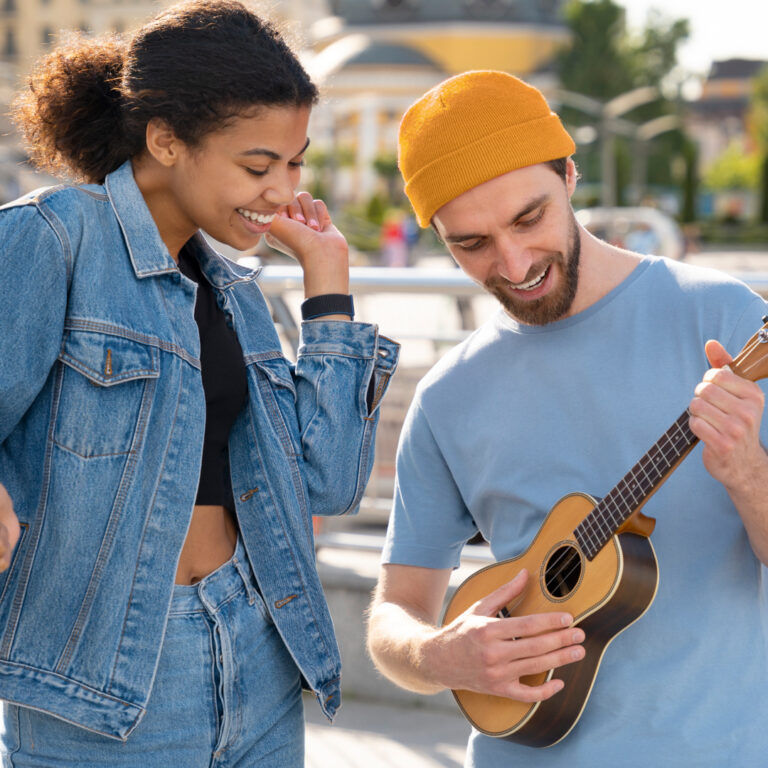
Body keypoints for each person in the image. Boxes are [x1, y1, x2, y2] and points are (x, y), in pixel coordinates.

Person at [0, 1, 399, 764]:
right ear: (165, 140)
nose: (282, 192)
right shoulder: (53, 237)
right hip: (108, 679)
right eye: (258, 166)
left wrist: (329, 287)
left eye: (295, 163)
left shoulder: (236, 290)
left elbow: (327, 481)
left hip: (258, 645)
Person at [366, 70, 768, 766]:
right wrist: (437, 655)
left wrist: (747, 473)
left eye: (528, 218)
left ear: (571, 173)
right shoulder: (447, 396)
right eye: (472, 244)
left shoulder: (726, 321)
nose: (514, 263)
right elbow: (392, 615)